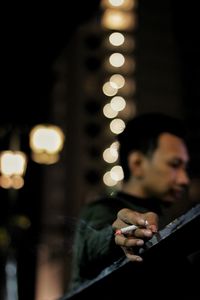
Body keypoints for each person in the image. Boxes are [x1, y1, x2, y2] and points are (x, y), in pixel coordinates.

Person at [68, 112, 198, 295]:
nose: (184, 179)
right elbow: (95, 242)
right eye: (175, 165)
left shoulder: (162, 216)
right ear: (137, 163)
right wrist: (121, 234)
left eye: (185, 168)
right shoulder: (100, 210)